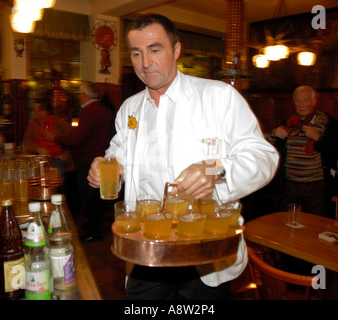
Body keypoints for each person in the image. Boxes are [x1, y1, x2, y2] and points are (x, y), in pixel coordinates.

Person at [87, 14, 279, 300]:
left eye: (155, 50)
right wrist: (106, 164)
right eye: (137, 53)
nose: (145, 63)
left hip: (203, 252)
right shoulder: (129, 108)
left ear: (176, 50)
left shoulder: (219, 97)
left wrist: (218, 171)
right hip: (147, 250)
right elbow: (119, 151)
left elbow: (264, 156)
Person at [44, 81, 114, 243]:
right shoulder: (102, 109)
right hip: (97, 157)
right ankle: (92, 226)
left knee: (89, 197)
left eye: (79, 94)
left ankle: (95, 233)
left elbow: (77, 139)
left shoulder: (90, 111)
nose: (79, 97)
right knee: (93, 197)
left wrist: (54, 137)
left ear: (84, 95)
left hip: (89, 160)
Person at [271, 85, 338, 217]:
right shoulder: (288, 122)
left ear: (314, 102)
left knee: (315, 223)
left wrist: (318, 138)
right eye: (298, 101)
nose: (301, 105)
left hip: (316, 186)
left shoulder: (328, 123)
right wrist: (274, 133)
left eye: (305, 101)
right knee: (284, 220)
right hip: (289, 184)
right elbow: (271, 150)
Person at [22, 99, 72, 178]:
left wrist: (65, 155)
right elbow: (27, 141)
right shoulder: (32, 122)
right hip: (37, 158)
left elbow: (72, 140)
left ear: (44, 111)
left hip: (56, 158)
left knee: (55, 180)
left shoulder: (59, 123)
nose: (33, 113)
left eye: (36, 110)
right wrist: (38, 148)